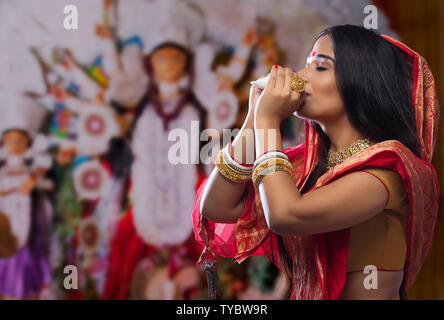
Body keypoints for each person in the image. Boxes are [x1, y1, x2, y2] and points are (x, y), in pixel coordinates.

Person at [192, 25, 440, 300]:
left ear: (360, 81)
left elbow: (286, 215)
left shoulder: (387, 171)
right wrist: (254, 116)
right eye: (307, 65)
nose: (301, 76)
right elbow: (216, 207)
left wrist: (268, 121)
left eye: (320, 67)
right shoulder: (309, 169)